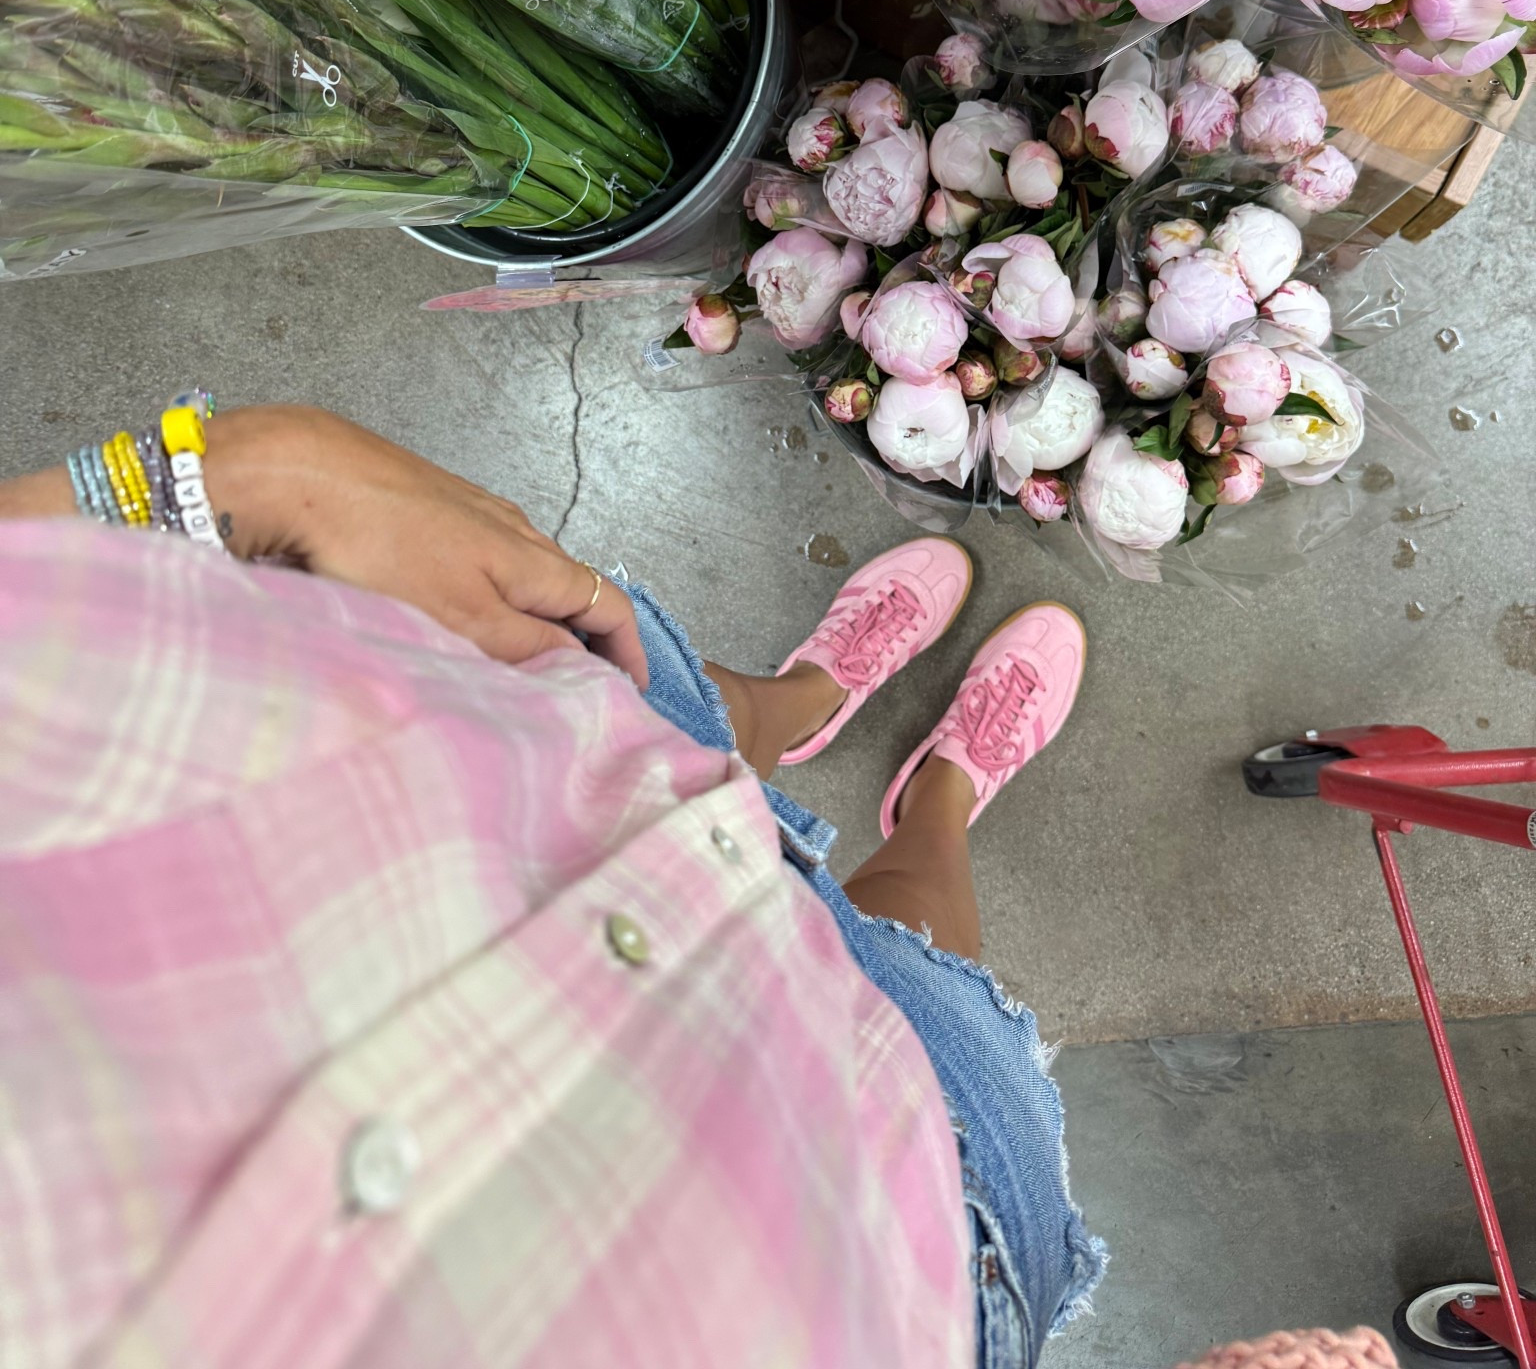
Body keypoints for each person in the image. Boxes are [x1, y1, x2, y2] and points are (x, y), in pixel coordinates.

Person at [0, 400, 1398, 1369]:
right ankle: (945, 792)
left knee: (682, 711)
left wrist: (215, 476)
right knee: (918, 956)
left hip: (500, 755)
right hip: (888, 1216)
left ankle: (807, 696)